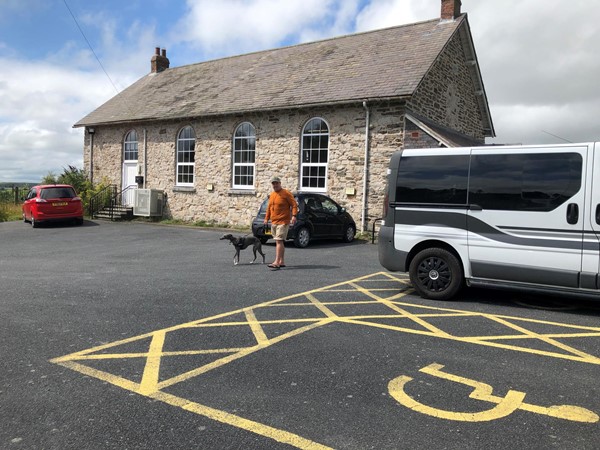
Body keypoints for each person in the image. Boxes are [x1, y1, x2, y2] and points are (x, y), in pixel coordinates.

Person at [264, 176, 298, 270]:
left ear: (280, 183)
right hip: (274, 221)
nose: (275, 185)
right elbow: (269, 208)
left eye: (276, 183)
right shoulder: (272, 195)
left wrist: (294, 216)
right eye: (273, 183)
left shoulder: (286, 193)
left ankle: (276, 262)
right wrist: (266, 218)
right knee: (278, 241)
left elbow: (294, 205)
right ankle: (281, 261)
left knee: (279, 240)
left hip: (283, 221)